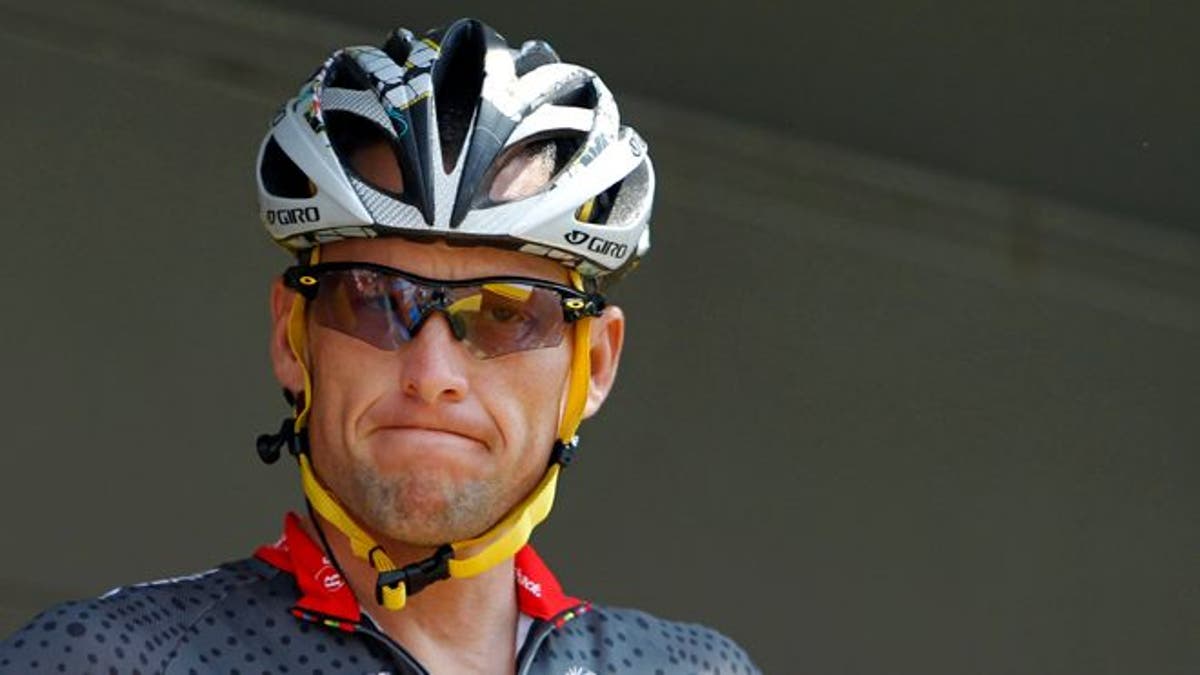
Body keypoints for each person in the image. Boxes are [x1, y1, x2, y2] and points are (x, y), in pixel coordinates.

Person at [0, 18, 759, 674]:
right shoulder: (106, 660)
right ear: (292, 339)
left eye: (503, 312)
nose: (433, 374)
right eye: (371, 299)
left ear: (593, 365)